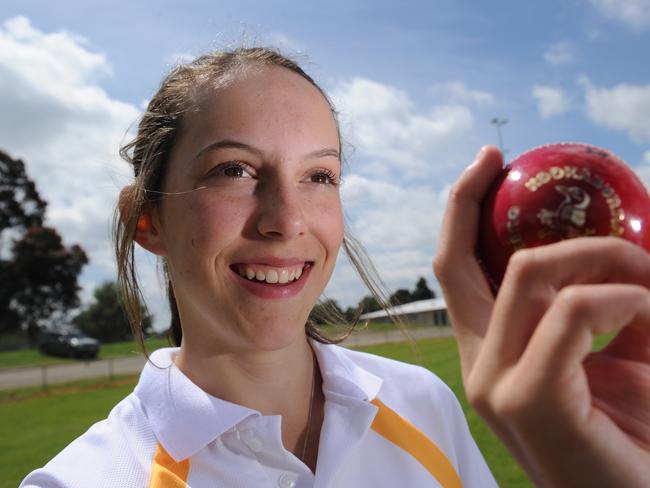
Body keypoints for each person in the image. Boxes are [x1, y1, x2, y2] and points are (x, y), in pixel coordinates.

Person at [20, 47, 650, 488]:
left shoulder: (422, 404)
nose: (286, 219)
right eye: (234, 170)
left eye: (318, 176)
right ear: (147, 220)